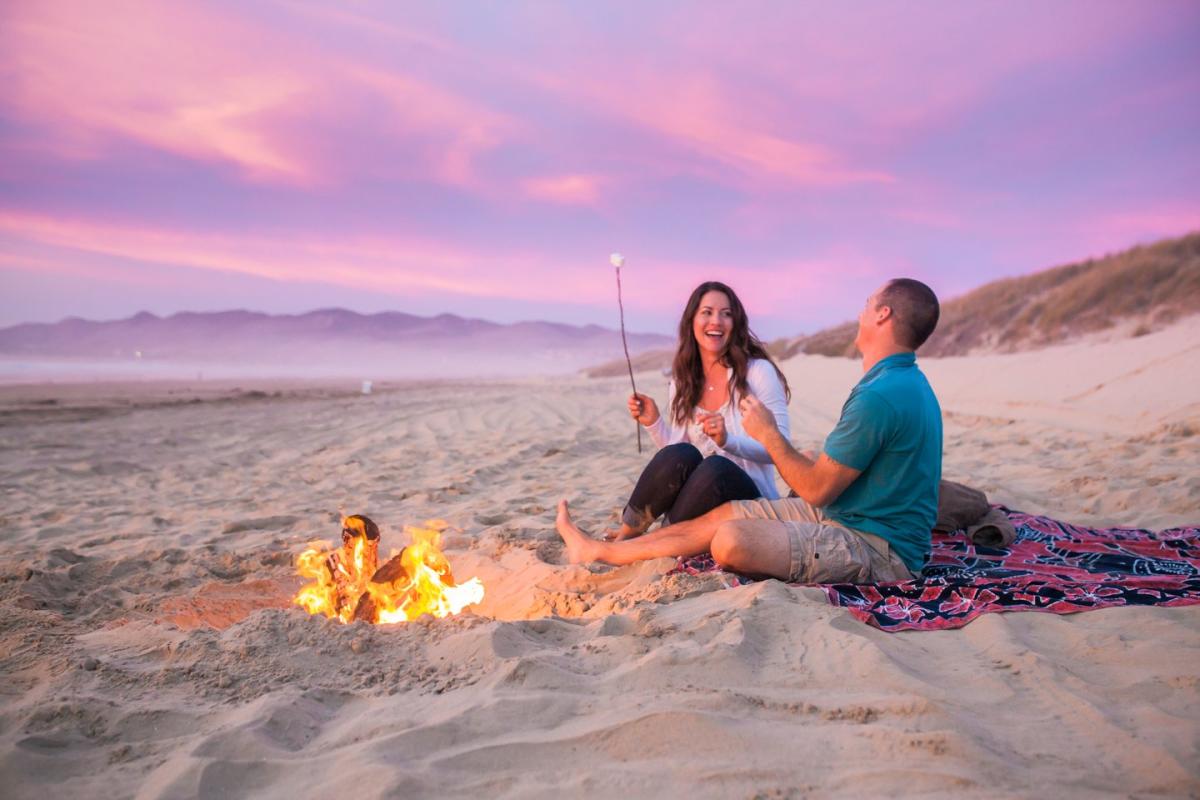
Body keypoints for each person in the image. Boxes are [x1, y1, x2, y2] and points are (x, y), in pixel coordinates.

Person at [557, 278, 943, 584]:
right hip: (843, 513)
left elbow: (817, 488)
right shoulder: (896, 383)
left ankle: (631, 546)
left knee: (730, 538)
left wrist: (767, 433)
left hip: (877, 547)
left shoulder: (882, 395)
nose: (860, 312)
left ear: (883, 315)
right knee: (719, 517)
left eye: (867, 304)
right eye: (706, 312)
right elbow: (828, 483)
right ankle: (597, 551)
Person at [607, 281, 791, 542]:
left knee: (716, 466)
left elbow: (781, 450)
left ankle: (661, 540)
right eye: (707, 312)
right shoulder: (682, 381)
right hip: (698, 500)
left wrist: (728, 441)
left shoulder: (758, 372)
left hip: (750, 498)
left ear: (735, 323)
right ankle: (626, 536)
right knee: (681, 453)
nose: (716, 321)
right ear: (691, 321)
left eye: (726, 314)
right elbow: (677, 458)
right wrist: (654, 423)